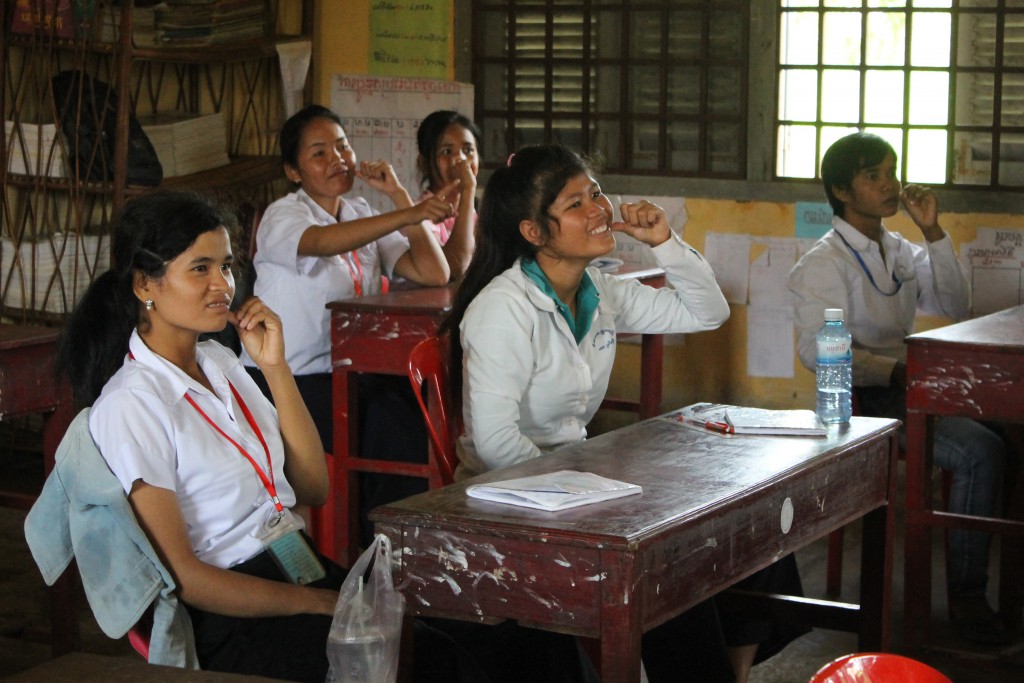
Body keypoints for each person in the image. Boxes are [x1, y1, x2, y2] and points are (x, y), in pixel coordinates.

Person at [54, 190, 593, 683]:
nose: (224, 286)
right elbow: (186, 578)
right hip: (233, 614)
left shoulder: (221, 361)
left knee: (524, 634)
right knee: (430, 661)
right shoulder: (133, 404)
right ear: (145, 284)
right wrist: (310, 604)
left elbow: (312, 487)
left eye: (225, 265)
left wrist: (277, 367)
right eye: (201, 269)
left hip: (299, 563)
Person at [440, 144, 806, 683]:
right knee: (671, 562)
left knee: (733, 524)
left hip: (578, 483)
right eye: (575, 204)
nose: (599, 210)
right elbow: (495, 446)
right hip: (511, 500)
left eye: (596, 193)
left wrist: (665, 243)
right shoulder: (503, 308)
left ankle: (731, 670)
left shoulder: (599, 289)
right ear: (533, 232)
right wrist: (591, 491)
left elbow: (707, 312)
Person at [787, 131, 1010, 644]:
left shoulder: (899, 248)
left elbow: (954, 306)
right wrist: (890, 371)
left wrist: (932, 231)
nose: (890, 186)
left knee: (1008, 432)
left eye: (891, 173)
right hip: (866, 399)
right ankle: (968, 595)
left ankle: (997, 581)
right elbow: (815, 351)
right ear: (842, 190)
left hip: (912, 383)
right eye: (874, 177)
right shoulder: (823, 263)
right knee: (980, 451)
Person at [241, 103, 454, 450]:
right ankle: (371, 506)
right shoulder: (283, 215)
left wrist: (398, 197)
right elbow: (321, 242)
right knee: (391, 431)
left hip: (348, 372)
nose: (337, 158)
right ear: (294, 171)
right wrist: (407, 215)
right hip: (288, 380)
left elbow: (433, 272)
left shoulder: (360, 212)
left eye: (342, 146)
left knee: (423, 408)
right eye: (320, 153)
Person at [416, 109, 482, 279]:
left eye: (468, 150)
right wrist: (468, 191)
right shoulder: (417, 218)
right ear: (424, 164)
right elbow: (456, 268)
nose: (460, 159)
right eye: (447, 152)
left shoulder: (484, 217)